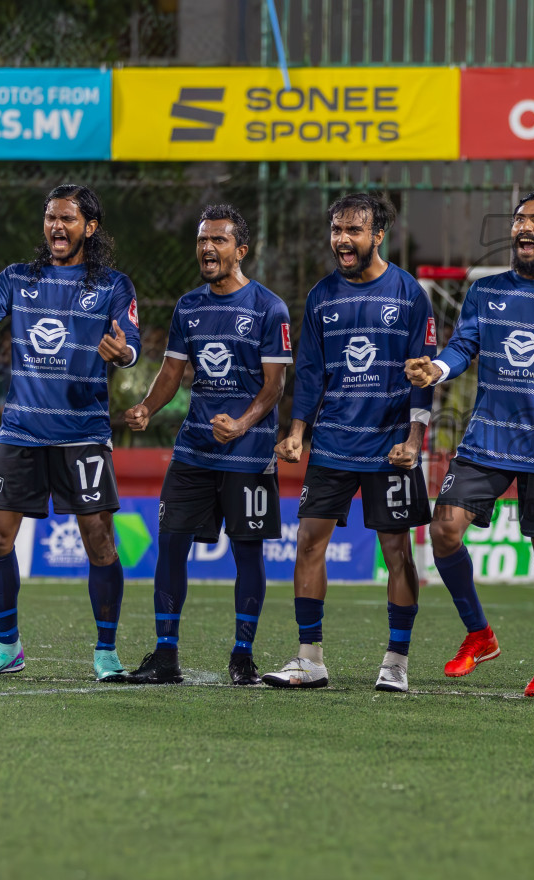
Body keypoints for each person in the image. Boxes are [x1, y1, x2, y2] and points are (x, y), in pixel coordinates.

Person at [0, 184, 141, 681]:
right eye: (50, 218)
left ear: (89, 227)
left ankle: (106, 652)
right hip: (20, 430)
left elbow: (128, 340)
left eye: (67, 218)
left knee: (100, 543)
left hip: (82, 433)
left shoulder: (113, 285)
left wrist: (123, 354)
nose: (56, 227)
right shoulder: (17, 278)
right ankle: (7, 646)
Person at [404, 191, 534, 696]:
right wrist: (438, 368)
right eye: (518, 220)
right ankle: (479, 634)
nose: (524, 227)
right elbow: (463, 345)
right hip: (487, 438)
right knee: (444, 530)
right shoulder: (484, 292)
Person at [267, 193, 430, 693]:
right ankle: (309, 658)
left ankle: (396, 662)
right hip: (333, 446)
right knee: (309, 542)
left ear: (377, 235)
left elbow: (424, 373)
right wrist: (297, 432)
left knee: (397, 552)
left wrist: (415, 439)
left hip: (388, 447)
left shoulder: (409, 293)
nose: (342, 239)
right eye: (336, 229)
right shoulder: (321, 296)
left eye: (353, 230)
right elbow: (311, 374)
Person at [122, 205, 290, 687]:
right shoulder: (188, 306)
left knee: (247, 553)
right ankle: (166, 655)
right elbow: (172, 373)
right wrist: (147, 408)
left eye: (218, 240)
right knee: (170, 547)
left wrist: (240, 424)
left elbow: (275, 386)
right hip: (193, 450)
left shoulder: (267, 307)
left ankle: (242, 656)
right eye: (202, 240)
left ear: (241, 249)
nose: (208, 248)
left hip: (248, 454)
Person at [109, 324, 189, 447]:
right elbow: (114, 406)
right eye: (148, 341)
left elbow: (184, 407)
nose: (153, 346)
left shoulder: (171, 371)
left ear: (165, 344)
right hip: (128, 444)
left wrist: (148, 412)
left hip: (163, 444)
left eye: (158, 342)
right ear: (140, 342)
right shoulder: (125, 371)